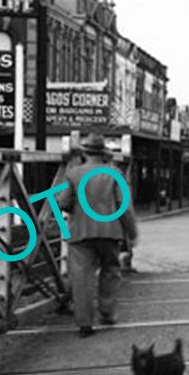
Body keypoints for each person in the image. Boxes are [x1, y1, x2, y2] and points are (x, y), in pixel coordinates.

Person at [59, 133, 139, 336]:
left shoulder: (73, 174)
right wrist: (132, 233)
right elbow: (124, 207)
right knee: (111, 271)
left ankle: (85, 323)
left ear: (85, 154)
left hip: (80, 233)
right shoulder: (115, 174)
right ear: (104, 154)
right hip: (110, 232)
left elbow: (64, 203)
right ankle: (107, 312)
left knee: (81, 277)